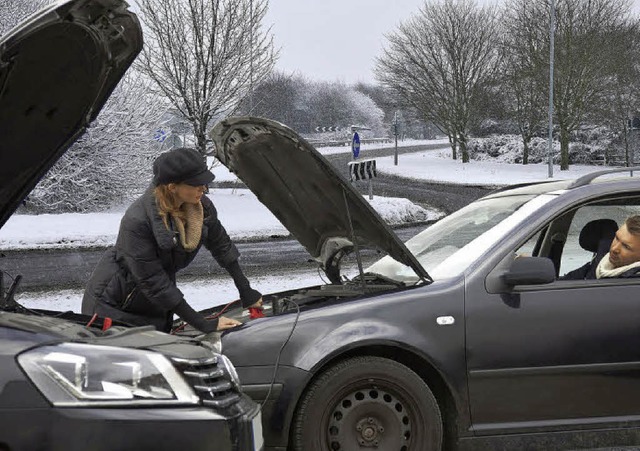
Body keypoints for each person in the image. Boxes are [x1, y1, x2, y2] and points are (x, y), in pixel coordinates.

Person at [81, 147, 262, 333]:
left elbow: (221, 245)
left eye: (204, 182)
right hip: (115, 306)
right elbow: (154, 281)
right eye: (196, 184)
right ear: (172, 187)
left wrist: (245, 290)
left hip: (155, 302)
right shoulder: (137, 221)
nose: (204, 189)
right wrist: (203, 324)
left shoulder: (201, 208)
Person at [561, 215, 640, 280]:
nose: (614, 249)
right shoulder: (604, 258)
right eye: (616, 238)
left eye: (626, 247)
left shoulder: (631, 282)